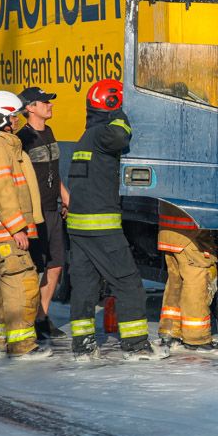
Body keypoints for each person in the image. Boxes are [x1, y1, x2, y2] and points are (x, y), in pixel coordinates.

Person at [65, 79, 164, 361]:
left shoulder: (86, 136)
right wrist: (119, 113)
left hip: (79, 226)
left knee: (84, 286)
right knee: (128, 282)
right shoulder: (103, 134)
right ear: (110, 103)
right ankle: (135, 345)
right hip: (101, 226)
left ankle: (82, 344)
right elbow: (121, 137)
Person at [0, 90, 50, 360]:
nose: (17, 120)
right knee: (21, 280)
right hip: (4, 230)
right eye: (13, 115)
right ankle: (22, 345)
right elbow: (0, 191)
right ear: (1, 117)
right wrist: (17, 227)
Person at [16, 86, 70, 340]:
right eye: (44, 102)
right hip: (34, 214)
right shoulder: (22, 138)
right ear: (30, 108)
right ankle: (25, 321)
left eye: (50, 101)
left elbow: (53, 171)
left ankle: (42, 317)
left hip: (53, 210)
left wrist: (65, 195)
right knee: (33, 268)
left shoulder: (48, 132)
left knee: (56, 265)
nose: (50, 105)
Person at [157, 204, 218, 351]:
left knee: (176, 282)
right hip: (190, 236)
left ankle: (170, 330)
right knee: (196, 283)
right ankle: (197, 337)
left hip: (169, 232)